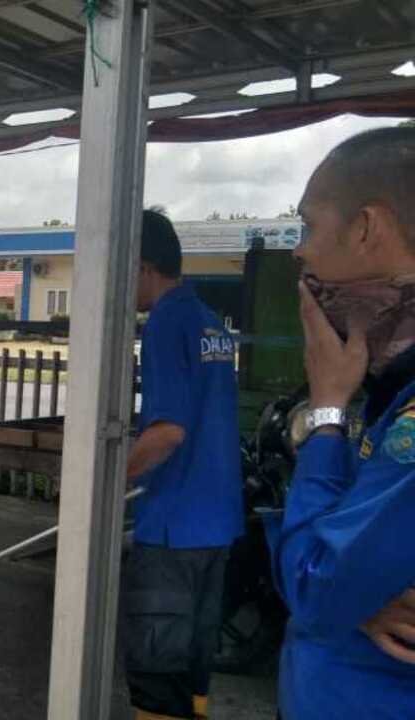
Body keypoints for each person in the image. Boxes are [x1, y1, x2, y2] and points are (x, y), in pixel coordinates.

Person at [264, 125, 415, 719]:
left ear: (365, 229)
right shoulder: (388, 383)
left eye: (308, 227)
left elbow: (316, 587)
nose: (299, 251)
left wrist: (328, 411)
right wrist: (359, 587)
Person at [122, 210, 244, 720]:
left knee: (156, 674)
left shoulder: (166, 322)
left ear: (144, 267)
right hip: (216, 526)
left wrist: (106, 482)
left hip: (173, 528)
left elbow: (168, 430)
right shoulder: (209, 322)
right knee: (193, 670)